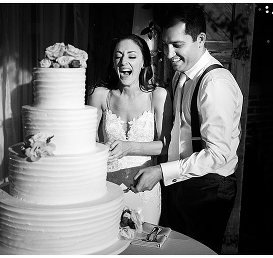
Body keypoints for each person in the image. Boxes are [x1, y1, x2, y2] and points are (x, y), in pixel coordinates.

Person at [133, 4, 242, 253]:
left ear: (200, 39)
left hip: (210, 188)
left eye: (178, 45)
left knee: (200, 252)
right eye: (166, 45)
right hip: (182, 181)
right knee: (176, 250)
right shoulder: (181, 75)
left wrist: (162, 171)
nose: (169, 54)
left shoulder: (215, 84)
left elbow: (218, 154)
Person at [88, 34, 172, 225]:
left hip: (144, 190)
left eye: (131, 56)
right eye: (118, 56)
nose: (123, 61)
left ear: (143, 62)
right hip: (105, 189)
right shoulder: (100, 95)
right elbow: (88, 145)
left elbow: (166, 147)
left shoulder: (158, 96)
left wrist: (129, 147)